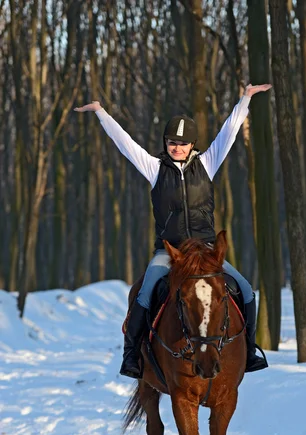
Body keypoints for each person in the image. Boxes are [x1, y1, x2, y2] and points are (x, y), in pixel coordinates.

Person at [74, 83, 271, 378]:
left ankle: (250, 350)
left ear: (192, 144)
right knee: (144, 293)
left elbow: (229, 133)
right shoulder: (154, 168)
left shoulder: (207, 163)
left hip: (204, 250)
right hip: (170, 252)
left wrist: (245, 99)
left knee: (245, 289)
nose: (176, 147)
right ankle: (132, 356)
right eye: (171, 142)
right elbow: (125, 143)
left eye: (182, 143)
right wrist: (102, 113)